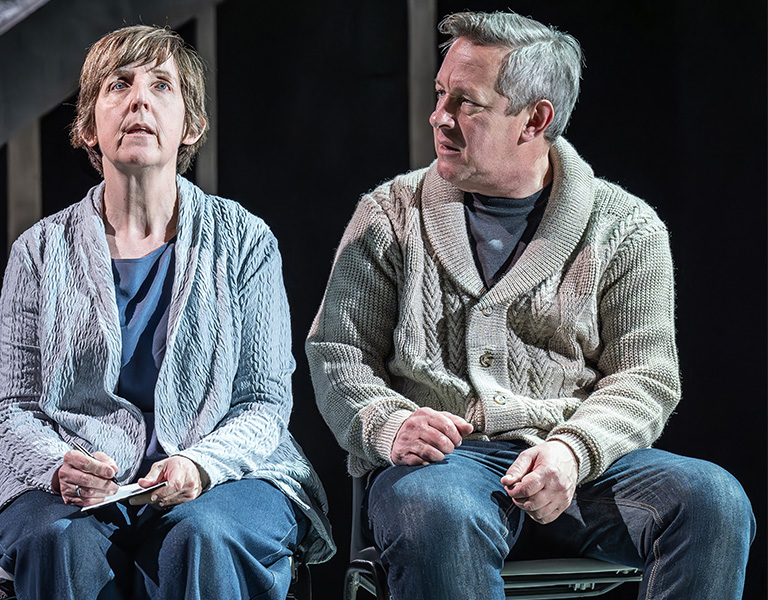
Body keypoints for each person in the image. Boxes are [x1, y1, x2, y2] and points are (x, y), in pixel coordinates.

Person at [306, 11, 754, 600]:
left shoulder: (626, 228)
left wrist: (573, 451)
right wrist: (390, 424)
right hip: (445, 471)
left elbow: (646, 377)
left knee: (714, 501)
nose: (440, 117)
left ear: (535, 119)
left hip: (579, 470)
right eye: (440, 94)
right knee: (434, 511)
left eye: (467, 103)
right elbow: (338, 352)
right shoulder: (390, 216)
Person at [0, 25, 334, 600]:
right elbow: (13, 410)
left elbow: (264, 404)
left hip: (226, 472)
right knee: (58, 540)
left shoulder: (245, 240)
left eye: (162, 86)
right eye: (119, 86)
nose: (139, 100)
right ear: (88, 124)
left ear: (192, 124)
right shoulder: (38, 252)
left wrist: (200, 466)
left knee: (202, 535)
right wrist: (59, 464)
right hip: (71, 484)